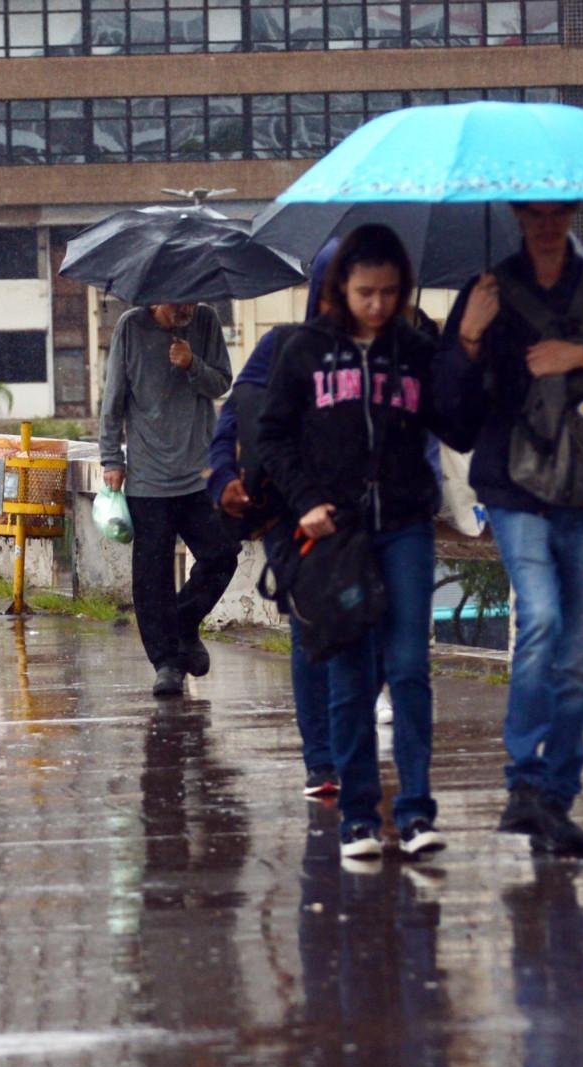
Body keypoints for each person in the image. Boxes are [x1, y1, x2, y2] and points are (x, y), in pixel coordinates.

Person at [434, 202, 583, 860]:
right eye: (532, 212)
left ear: (570, 211)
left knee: (577, 657)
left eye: (555, 211)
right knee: (538, 618)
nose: (544, 223)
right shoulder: (485, 293)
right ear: (515, 215)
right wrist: (468, 340)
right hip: (515, 491)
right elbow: (453, 420)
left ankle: (555, 797)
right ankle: (523, 782)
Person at [260, 225, 477, 864]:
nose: (377, 305)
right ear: (341, 289)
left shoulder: (415, 351)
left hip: (406, 527)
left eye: (388, 292)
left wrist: (464, 350)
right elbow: (272, 437)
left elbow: (460, 426)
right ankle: (358, 817)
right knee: (350, 676)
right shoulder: (303, 352)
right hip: (339, 536)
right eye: (365, 293)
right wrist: (305, 500)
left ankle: (415, 813)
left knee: (408, 668)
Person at [212, 240, 337, 801]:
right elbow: (235, 418)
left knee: (374, 634)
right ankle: (322, 761)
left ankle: (348, 738)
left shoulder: (388, 354)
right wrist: (223, 478)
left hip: (363, 514)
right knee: (310, 627)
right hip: (289, 515)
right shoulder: (281, 347)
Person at [99, 297, 234, 698]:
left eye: (191, 299)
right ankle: (166, 663)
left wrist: (193, 364)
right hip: (148, 478)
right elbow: (114, 398)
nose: (186, 308)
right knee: (151, 577)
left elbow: (222, 382)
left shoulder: (206, 320)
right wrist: (111, 457)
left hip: (199, 473)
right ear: (156, 297)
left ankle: (182, 622)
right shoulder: (130, 327)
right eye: (178, 302)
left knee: (222, 554)